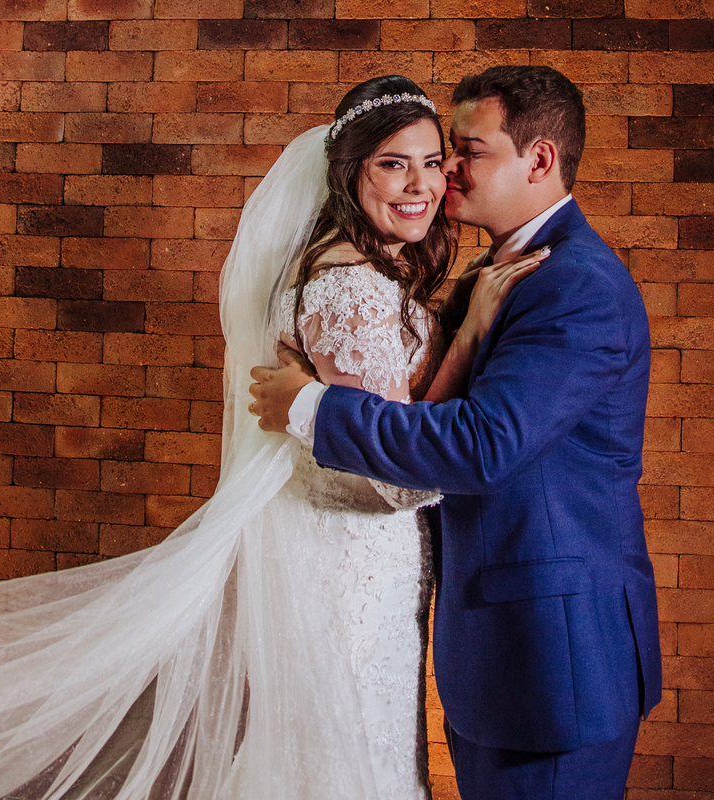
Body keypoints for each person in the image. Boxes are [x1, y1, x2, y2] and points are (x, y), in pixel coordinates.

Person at [0, 75, 541, 800]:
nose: (421, 184)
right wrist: (471, 332)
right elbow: (393, 474)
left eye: (431, 162)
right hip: (353, 564)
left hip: (355, 557)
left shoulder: (367, 270)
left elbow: (393, 415)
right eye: (392, 163)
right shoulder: (348, 287)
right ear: (350, 173)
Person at [249, 65, 663, 800]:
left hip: (554, 657)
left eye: (466, 152)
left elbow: (483, 445)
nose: (445, 173)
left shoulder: (576, 284)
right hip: (494, 648)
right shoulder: (494, 272)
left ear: (539, 159)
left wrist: (311, 406)